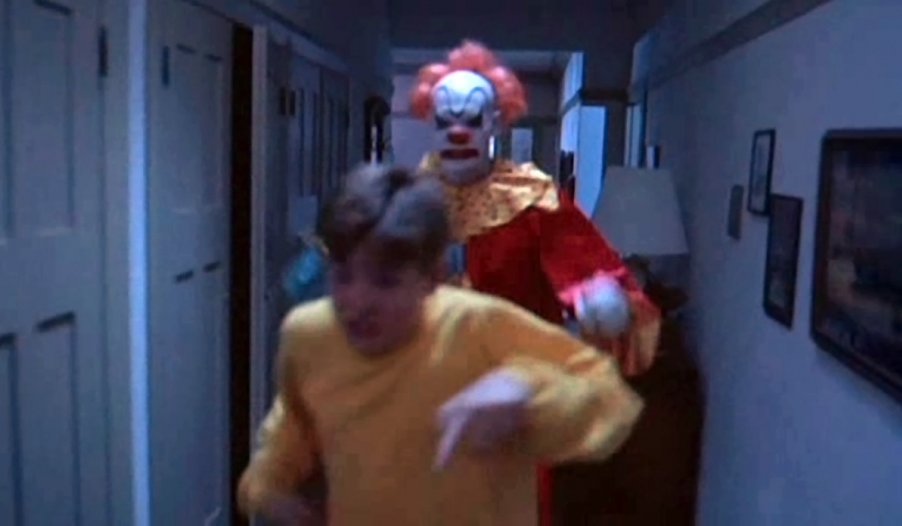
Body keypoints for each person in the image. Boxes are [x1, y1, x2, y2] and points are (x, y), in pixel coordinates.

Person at [236, 163, 643, 525]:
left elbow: (610, 400)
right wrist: (268, 487)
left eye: (386, 281)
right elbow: (291, 431)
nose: (357, 302)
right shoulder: (309, 336)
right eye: (343, 276)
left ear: (432, 278)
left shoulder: (477, 326)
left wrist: (528, 392)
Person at [409, 39, 661, 525]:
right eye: (445, 119)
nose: (458, 131)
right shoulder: (407, 199)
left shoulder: (532, 200)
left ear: (496, 123)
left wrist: (602, 300)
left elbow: (599, 279)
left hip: (512, 400)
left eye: (472, 118)